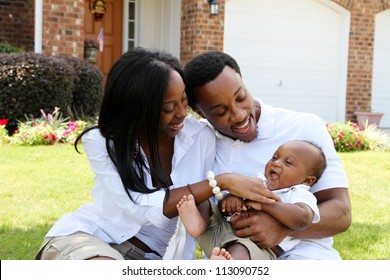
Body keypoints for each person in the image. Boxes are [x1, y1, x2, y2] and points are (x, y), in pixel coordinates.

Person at [34, 48, 279, 260]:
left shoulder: (200, 138)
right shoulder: (103, 141)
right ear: (138, 107)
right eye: (168, 108)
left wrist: (205, 213)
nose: (182, 113)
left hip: (157, 257)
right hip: (91, 240)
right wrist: (220, 181)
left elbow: (200, 209)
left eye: (184, 101)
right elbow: (139, 209)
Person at [183, 51, 351, 260]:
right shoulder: (200, 141)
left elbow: (342, 212)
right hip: (237, 252)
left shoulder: (303, 127)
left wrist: (283, 228)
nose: (239, 115)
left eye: (241, 97)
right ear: (200, 113)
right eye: (220, 111)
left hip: (307, 256)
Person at [177, 140, 339, 260]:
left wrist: (265, 204)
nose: (276, 163)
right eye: (275, 157)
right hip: (223, 233)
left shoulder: (298, 193)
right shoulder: (258, 183)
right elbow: (225, 205)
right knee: (205, 201)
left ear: (307, 180)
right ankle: (198, 225)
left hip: (258, 247)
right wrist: (230, 200)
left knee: (241, 250)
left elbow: (302, 219)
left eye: (288, 162)